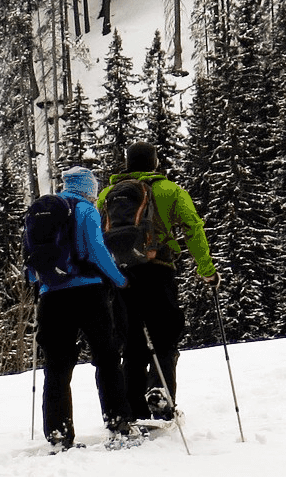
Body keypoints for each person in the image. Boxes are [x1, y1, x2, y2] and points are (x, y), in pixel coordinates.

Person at [103, 143, 215, 421]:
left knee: (132, 343)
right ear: (154, 162)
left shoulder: (107, 195)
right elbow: (193, 227)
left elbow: (97, 237)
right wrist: (207, 269)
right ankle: (159, 393)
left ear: (127, 163)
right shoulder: (169, 190)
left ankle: (134, 410)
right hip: (158, 270)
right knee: (165, 335)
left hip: (121, 276)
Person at [28, 166, 134, 450]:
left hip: (51, 296)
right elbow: (98, 250)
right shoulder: (86, 210)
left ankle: (59, 434)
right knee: (107, 357)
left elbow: (32, 261)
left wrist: (43, 283)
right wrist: (120, 279)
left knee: (57, 366)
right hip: (88, 293)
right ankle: (118, 422)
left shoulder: (43, 211)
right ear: (88, 186)